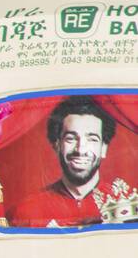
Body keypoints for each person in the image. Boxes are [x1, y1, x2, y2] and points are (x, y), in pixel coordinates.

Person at [7, 96, 115, 228]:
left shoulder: (127, 205)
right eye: (71, 138)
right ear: (57, 145)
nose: (80, 149)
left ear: (104, 148)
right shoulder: (26, 211)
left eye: (92, 139)